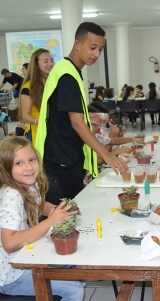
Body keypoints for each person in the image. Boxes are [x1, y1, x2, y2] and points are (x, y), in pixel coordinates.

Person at [0, 137, 85, 301]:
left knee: (75, 269)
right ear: (5, 168)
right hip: (8, 275)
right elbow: (10, 243)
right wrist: (50, 222)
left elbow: (38, 205)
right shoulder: (11, 195)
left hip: (22, 260)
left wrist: (57, 210)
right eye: (19, 163)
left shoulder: (28, 184)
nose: (28, 167)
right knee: (74, 290)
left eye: (32, 160)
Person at [34, 21, 127, 203]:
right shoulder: (68, 76)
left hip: (64, 153)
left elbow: (63, 112)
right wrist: (107, 156)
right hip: (62, 157)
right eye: (93, 47)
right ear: (78, 44)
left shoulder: (66, 69)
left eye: (100, 49)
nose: (96, 54)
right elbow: (76, 122)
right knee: (67, 213)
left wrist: (88, 115)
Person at [20, 48, 55, 145]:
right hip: (37, 134)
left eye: (52, 60)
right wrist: (39, 121)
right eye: (46, 61)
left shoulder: (54, 84)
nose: (51, 64)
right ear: (37, 65)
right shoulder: (28, 87)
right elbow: (25, 115)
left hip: (54, 133)